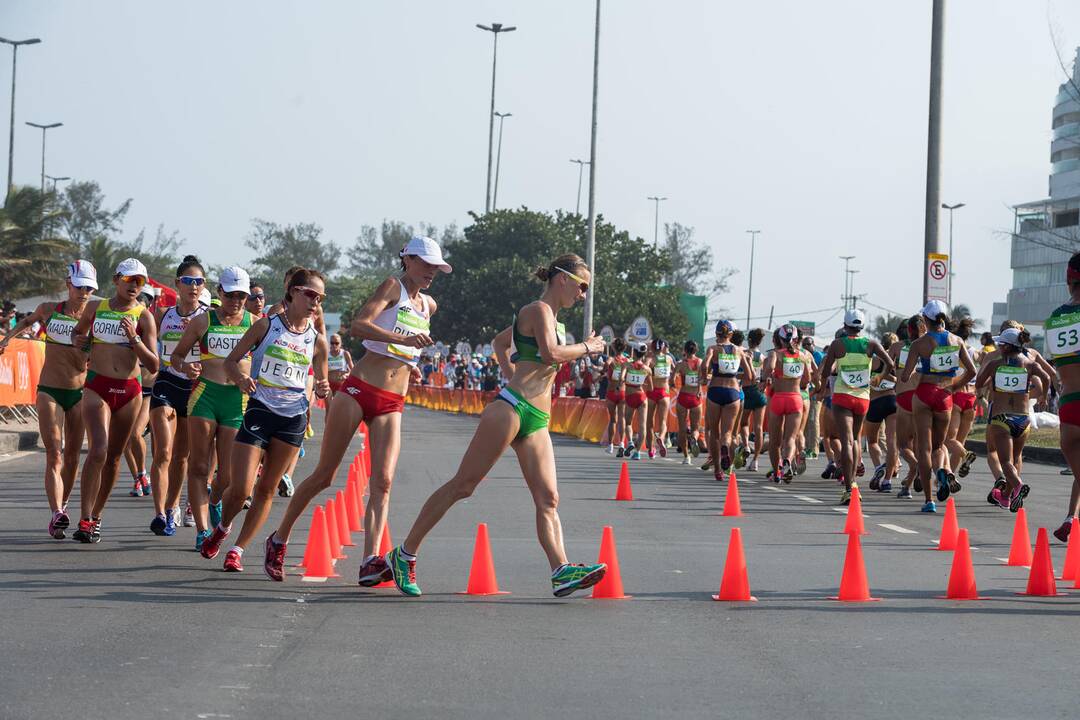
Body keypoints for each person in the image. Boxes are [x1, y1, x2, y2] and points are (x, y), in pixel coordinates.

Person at [383, 254, 607, 597]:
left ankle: (560, 570)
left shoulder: (555, 321)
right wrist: (586, 348)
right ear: (561, 279)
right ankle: (405, 553)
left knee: (548, 498)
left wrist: (512, 372)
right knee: (463, 485)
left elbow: (501, 343)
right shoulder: (538, 310)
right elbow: (549, 355)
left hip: (537, 418)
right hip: (511, 409)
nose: (583, 294)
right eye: (582, 286)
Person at [256, 237, 448, 583]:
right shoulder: (393, 286)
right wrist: (402, 342)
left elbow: (405, 348)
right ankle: (279, 538)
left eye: (437, 267)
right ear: (409, 260)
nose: (432, 272)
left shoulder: (429, 305)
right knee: (324, 476)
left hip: (393, 400)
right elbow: (359, 326)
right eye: (427, 265)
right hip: (359, 390)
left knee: (384, 482)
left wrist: (410, 361)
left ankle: (370, 560)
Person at [198, 268, 330, 570]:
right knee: (241, 487)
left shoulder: (317, 340)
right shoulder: (265, 327)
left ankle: (239, 550)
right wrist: (242, 379)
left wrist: (323, 387)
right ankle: (223, 528)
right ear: (293, 291)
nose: (315, 302)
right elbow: (231, 362)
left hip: (293, 418)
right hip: (260, 411)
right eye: (310, 294)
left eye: (320, 298)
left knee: (268, 488)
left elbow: (322, 384)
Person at [0, 261, 98, 538]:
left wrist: (88, 346)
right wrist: (6, 339)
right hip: (50, 390)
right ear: (68, 284)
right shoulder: (49, 309)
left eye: (89, 288)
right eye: (80, 287)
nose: (84, 293)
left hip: (80, 392)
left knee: (71, 458)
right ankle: (57, 512)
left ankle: (63, 506)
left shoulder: (94, 318)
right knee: (54, 453)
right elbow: (26, 321)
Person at [70, 259, 160, 542]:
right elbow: (78, 333)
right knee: (98, 449)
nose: (135, 286)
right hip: (98, 386)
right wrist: (79, 342)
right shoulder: (97, 308)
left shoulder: (144, 316)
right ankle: (84, 517)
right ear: (116, 280)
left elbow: (154, 364)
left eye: (140, 282)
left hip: (129, 391)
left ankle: (96, 515)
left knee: (113, 458)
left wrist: (135, 340)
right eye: (130, 280)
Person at [169, 266, 254, 551]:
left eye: (241, 295)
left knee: (228, 476)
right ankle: (203, 530)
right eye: (231, 295)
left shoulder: (255, 323)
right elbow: (176, 356)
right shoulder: (203, 321)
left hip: (236, 402)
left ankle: (215, 500)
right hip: (205, 396)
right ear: (220, 292)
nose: (236, 301)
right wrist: (186, 366)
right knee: (199, 465)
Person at [147, 255, 208, 536]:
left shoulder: (208, 318)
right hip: (167, 383)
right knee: (163, 451)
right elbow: (154, 349)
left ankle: (172, 509)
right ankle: (159, 513)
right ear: (177, 284)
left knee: (182, 458)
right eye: (188, 281)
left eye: (198, 282)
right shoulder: (164, 315)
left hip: (194, 389)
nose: (193, 286)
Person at [900, 300, 976, 513]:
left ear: (925, 319)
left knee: (923, 448)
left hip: (924, 394)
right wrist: (954, 387)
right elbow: (972, 372)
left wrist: (918, 372)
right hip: (945, 396)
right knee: (939, 446)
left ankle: (928, 500)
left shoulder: (919, 344)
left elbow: (905, 376)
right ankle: (942, 471)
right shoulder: (957, 340)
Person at [817, 310, 894, 505]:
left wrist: (822, 386)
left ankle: (850, 487)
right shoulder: (871, 344)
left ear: (845, 325)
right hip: (863, 398)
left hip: (842, 397)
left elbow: (826, 372)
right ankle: (854, 481)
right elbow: (890, 363)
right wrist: (880, 376)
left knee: (847, 441)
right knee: (856, 440)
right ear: (862, 326)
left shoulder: (837, 344)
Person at [975, 327, 1049, 512]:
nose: (998, 346)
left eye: (1001, 344)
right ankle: (1006, 497)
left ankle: (1018, 485)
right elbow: (1047, 377)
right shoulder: (1030, 364)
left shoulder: (995, 365)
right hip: (1023, 419)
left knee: (1006, 462)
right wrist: (1043, 397)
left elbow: (978, 383)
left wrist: (989, 381)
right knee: (1015, 459)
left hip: (1002, 417)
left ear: (1007, 347)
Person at [702, 320, 753, 480]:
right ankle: (725, 447)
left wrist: (705, 378)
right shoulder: (739, 350)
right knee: (728, 433)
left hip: (715, 390)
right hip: (733, 392)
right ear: (731, 334)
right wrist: (735, 375)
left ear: (717, 334)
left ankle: (718, 470)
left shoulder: (713, 348)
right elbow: (750, 376)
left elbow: (704, 365)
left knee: (713, 432)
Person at [761, 324, 810, 483]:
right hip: (796, 399)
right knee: (790, 438)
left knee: (775, 442)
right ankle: (788, 460)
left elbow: (769, 367)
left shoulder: (775, 354)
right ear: (796, 339)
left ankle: (777, 473)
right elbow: (807, 380)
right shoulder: (802, 355)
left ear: (779, 339)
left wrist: (767, 377)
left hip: (779, 398)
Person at [124, 287, 158, 498]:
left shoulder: (153, 329)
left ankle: (147, 473)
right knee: (125, 439)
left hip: (149, 392)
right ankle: (139, 477)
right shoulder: (123, 329)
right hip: (128, 387)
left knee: (136, 433)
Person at [892, 315, 924, 499]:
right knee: (919, 447)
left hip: (904, 397)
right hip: (922, 398)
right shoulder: (927, 346)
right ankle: (907, 486)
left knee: (903, 445)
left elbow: (884, 366)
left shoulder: (897, 347)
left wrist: (890, 376)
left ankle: (918, 467)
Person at [945, 317, 979, 480]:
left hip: (957, 395)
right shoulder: (975, 351)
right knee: (960, 441)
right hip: (971, 398)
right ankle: (950, 476)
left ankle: (966, 455)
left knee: (949, 440)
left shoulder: (954, 349)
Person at [865, 332, 899, 492]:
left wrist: (877, 378)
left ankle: (879, 466)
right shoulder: (896, 361)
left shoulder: (874, 359)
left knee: (872, 441)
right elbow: (900, 380)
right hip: (892, 400)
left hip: (875, 401)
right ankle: (887, 481)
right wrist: (889, 379)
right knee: (892, 443)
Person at [739, 328, 768, 472]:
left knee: (744, 423)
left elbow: (740, 373)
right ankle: (755, 460)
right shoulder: (763, 357)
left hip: (746, 390)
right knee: (759, 428)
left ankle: (745, 446)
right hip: (759, 392)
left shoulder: (744, 354)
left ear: (749, 340)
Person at [674, 340, 704, 465]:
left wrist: (672, 383)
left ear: (685, 350)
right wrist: (699, 389)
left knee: (681, 428)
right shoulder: (700, 362)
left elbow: (671, 379)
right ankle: (694, 438)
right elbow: (703, 379)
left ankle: (686, 457)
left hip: (683, 396)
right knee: (696, 427)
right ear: (696, 350)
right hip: (696, 397)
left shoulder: (680, 364)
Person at [646, 338, 675, 458]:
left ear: (652, 347)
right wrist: (670, 380)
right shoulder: (668, 358)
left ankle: (651, 449)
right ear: (663, 347)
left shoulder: (650, 359)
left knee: (649, 422)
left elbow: (644, 369)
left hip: (652, 391)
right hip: (664, 391)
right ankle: (661, 438)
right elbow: (675, 369)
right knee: (663, 421)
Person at [622, 343, 651, 460]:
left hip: (630, 396)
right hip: (642, 396)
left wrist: (622, 383)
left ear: (634, 352)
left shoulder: (627, 365)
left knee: (628, 422)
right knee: (642, 425)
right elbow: (651, 387)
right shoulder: (647, 369)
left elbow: (621, 378)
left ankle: (630, 442)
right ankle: (637, 452)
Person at [603, 338, 628, 455]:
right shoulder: (627, 360)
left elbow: (606, 366)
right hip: (622, 391)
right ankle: (622, 443)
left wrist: (605, 368)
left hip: (612, 391)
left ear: (613, 347)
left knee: (613, 420)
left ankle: (610, 445)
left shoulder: (611, 359)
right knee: (622, 418)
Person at [326, 333, 353, 402]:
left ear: (340, 344)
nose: (334, 345)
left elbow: (353, 370)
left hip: (341, 384)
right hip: (329, 384)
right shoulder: (326, 354)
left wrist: (346, 375)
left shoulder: (345, 353)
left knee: (338, 406)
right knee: (329, 408)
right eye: (332, 343)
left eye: (337, 343)